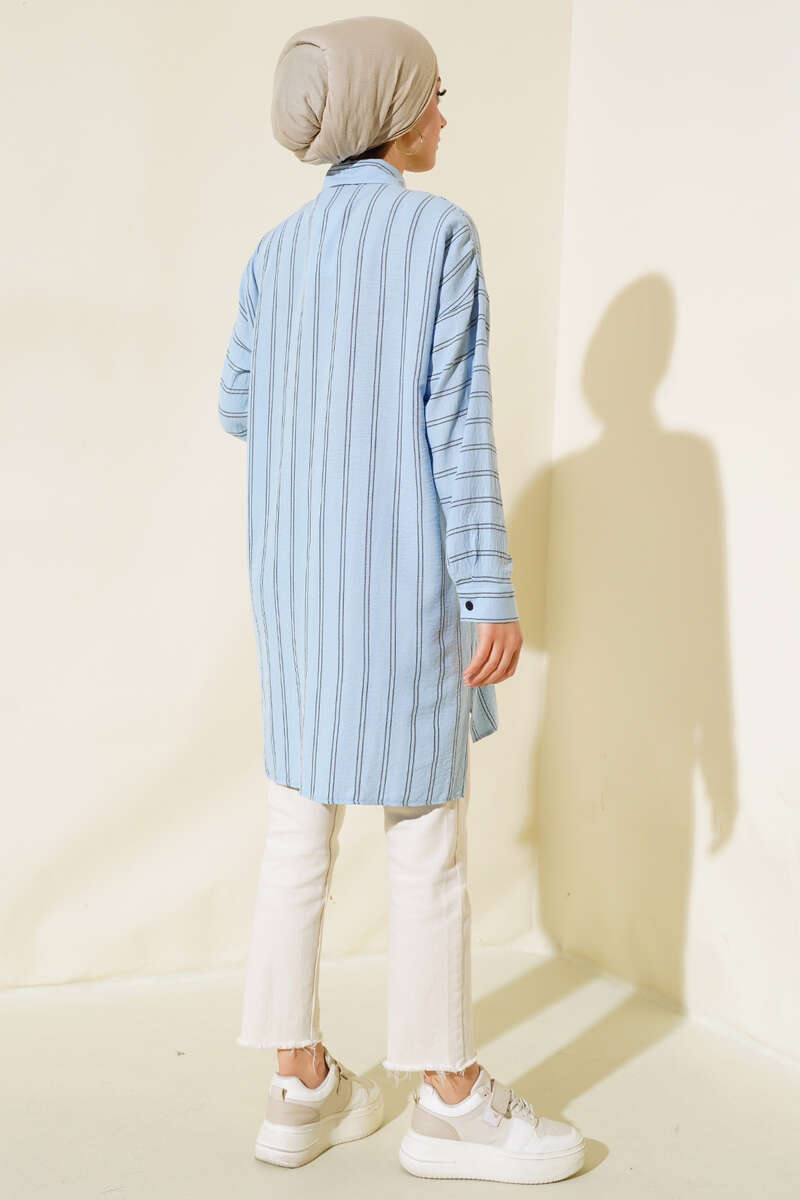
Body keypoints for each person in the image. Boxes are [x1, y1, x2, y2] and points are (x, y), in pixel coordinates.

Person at [217, 14, 584, 1186]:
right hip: (400, 584)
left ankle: (298, 1087)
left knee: (296, 834)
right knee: (423, 842)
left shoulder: (274, 252)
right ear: (388, 109)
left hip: (294, 587)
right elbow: (455, 428)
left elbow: (235, 402)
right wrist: (490, 592)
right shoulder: (439, 235)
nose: (441, 115)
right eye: (430, 95)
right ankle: (448, 1102)